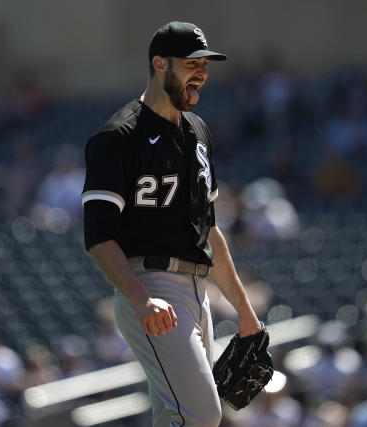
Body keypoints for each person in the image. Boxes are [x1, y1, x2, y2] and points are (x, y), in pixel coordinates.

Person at [81, 21, 261, 427]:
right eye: (191, 62)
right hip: (153, 288)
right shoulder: (118, 136)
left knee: (176, 416)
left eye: (205, 64)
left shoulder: (198, 133)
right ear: (160, 64)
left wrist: (245, 314)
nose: (201, 71)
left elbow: (210, 233)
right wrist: (141, 298)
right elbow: (99, 237)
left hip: (198, 294)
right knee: (201, 415)